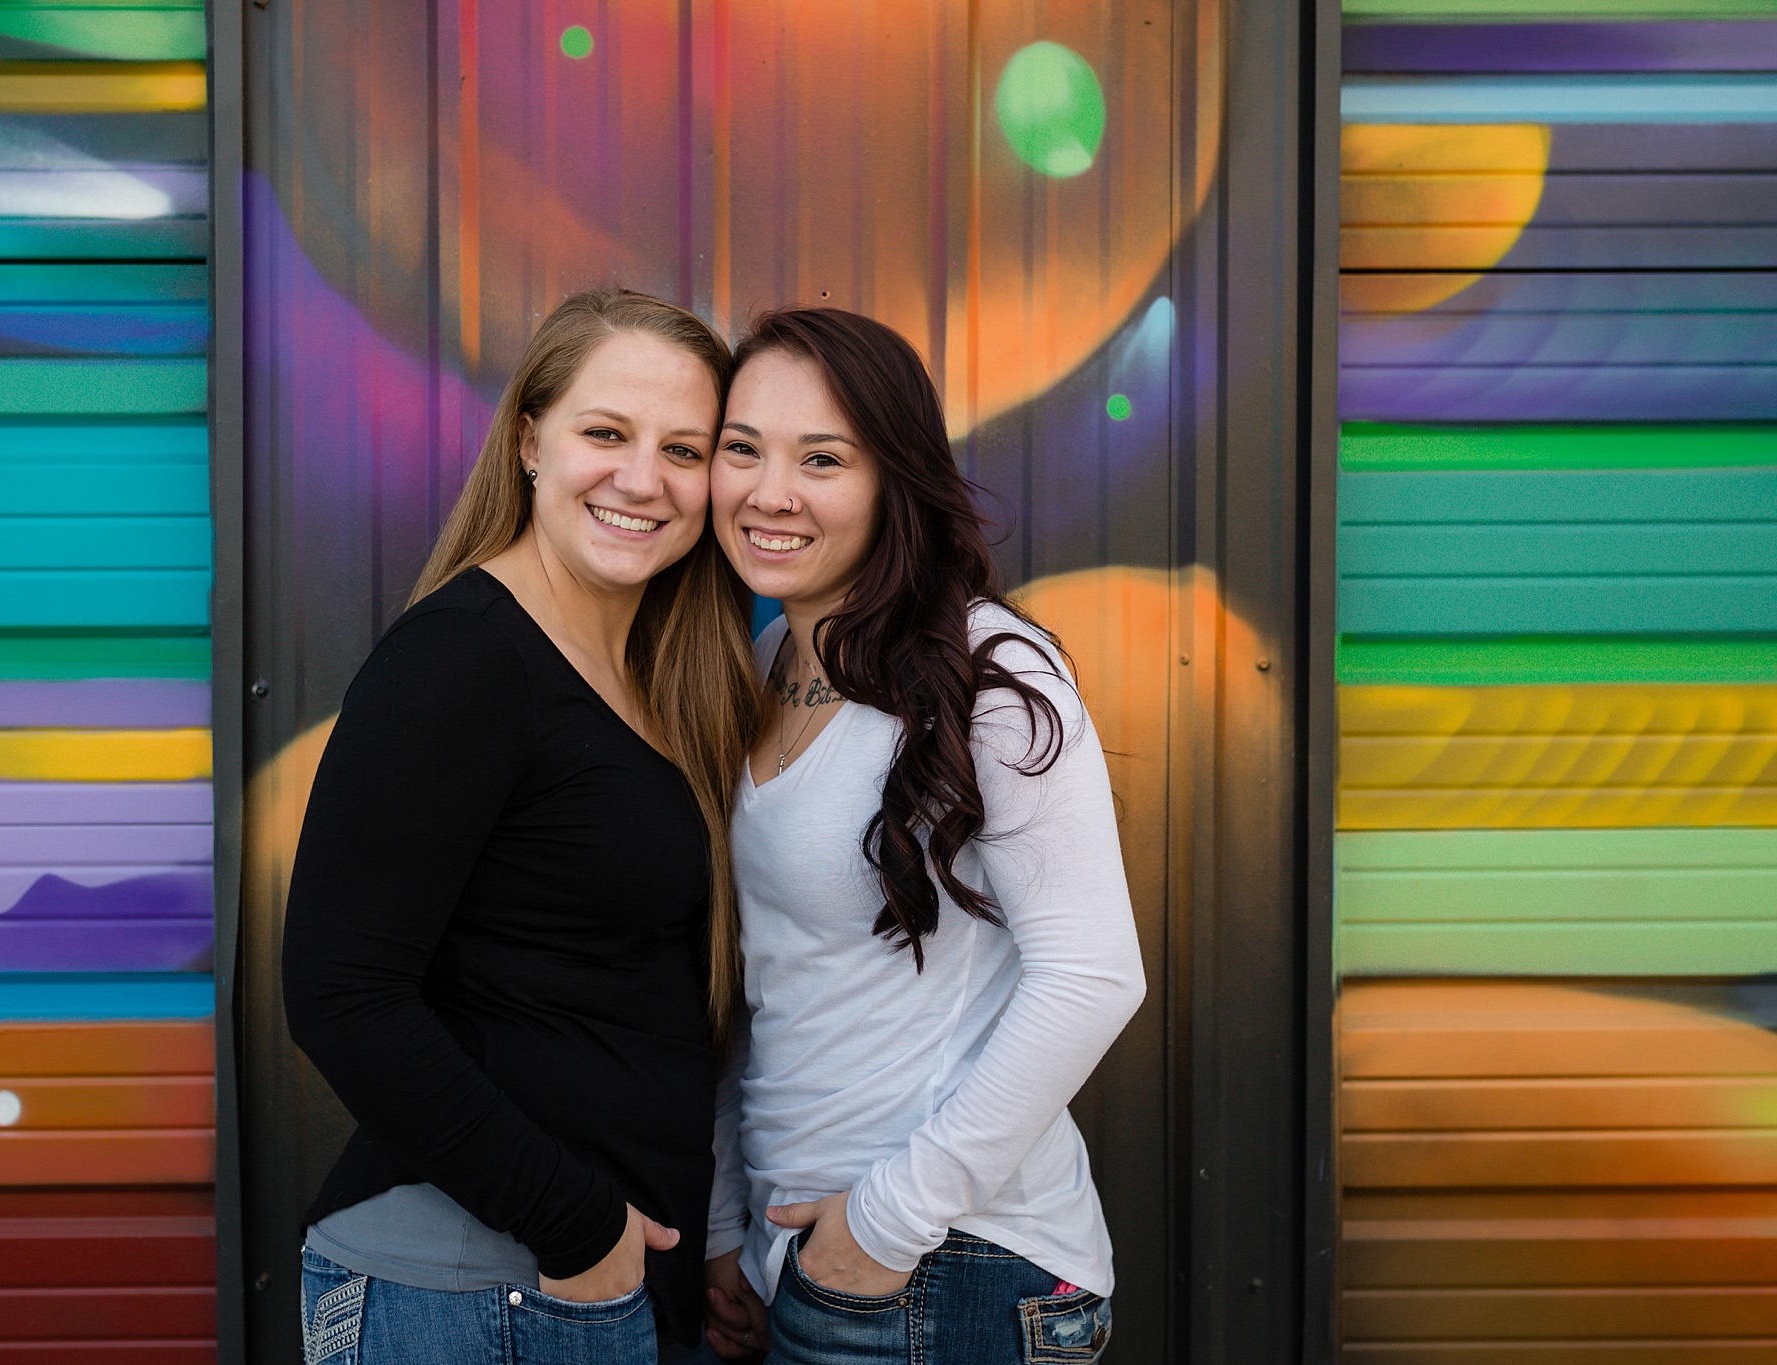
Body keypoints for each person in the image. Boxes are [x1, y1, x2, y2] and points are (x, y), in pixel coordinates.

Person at [282, 287, 760, 1364]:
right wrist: (578, 1228)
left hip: (584, 1286)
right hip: (470, 1286)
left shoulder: (655, 677)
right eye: (606, 433)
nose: (643, 479)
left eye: (683, 449)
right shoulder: (458, 660)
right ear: (529, 440)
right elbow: (338, 994)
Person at [700, 308, 1146, 1364]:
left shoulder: (986, 669)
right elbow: (765, 981)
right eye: (740, 449)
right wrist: (728, 1221)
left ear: (892, 478)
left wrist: (882, 1228)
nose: (769, 493)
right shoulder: (765, 668)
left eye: (821, 458)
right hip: (806, 1264)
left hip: (951, 1268)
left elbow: (1091, 974)